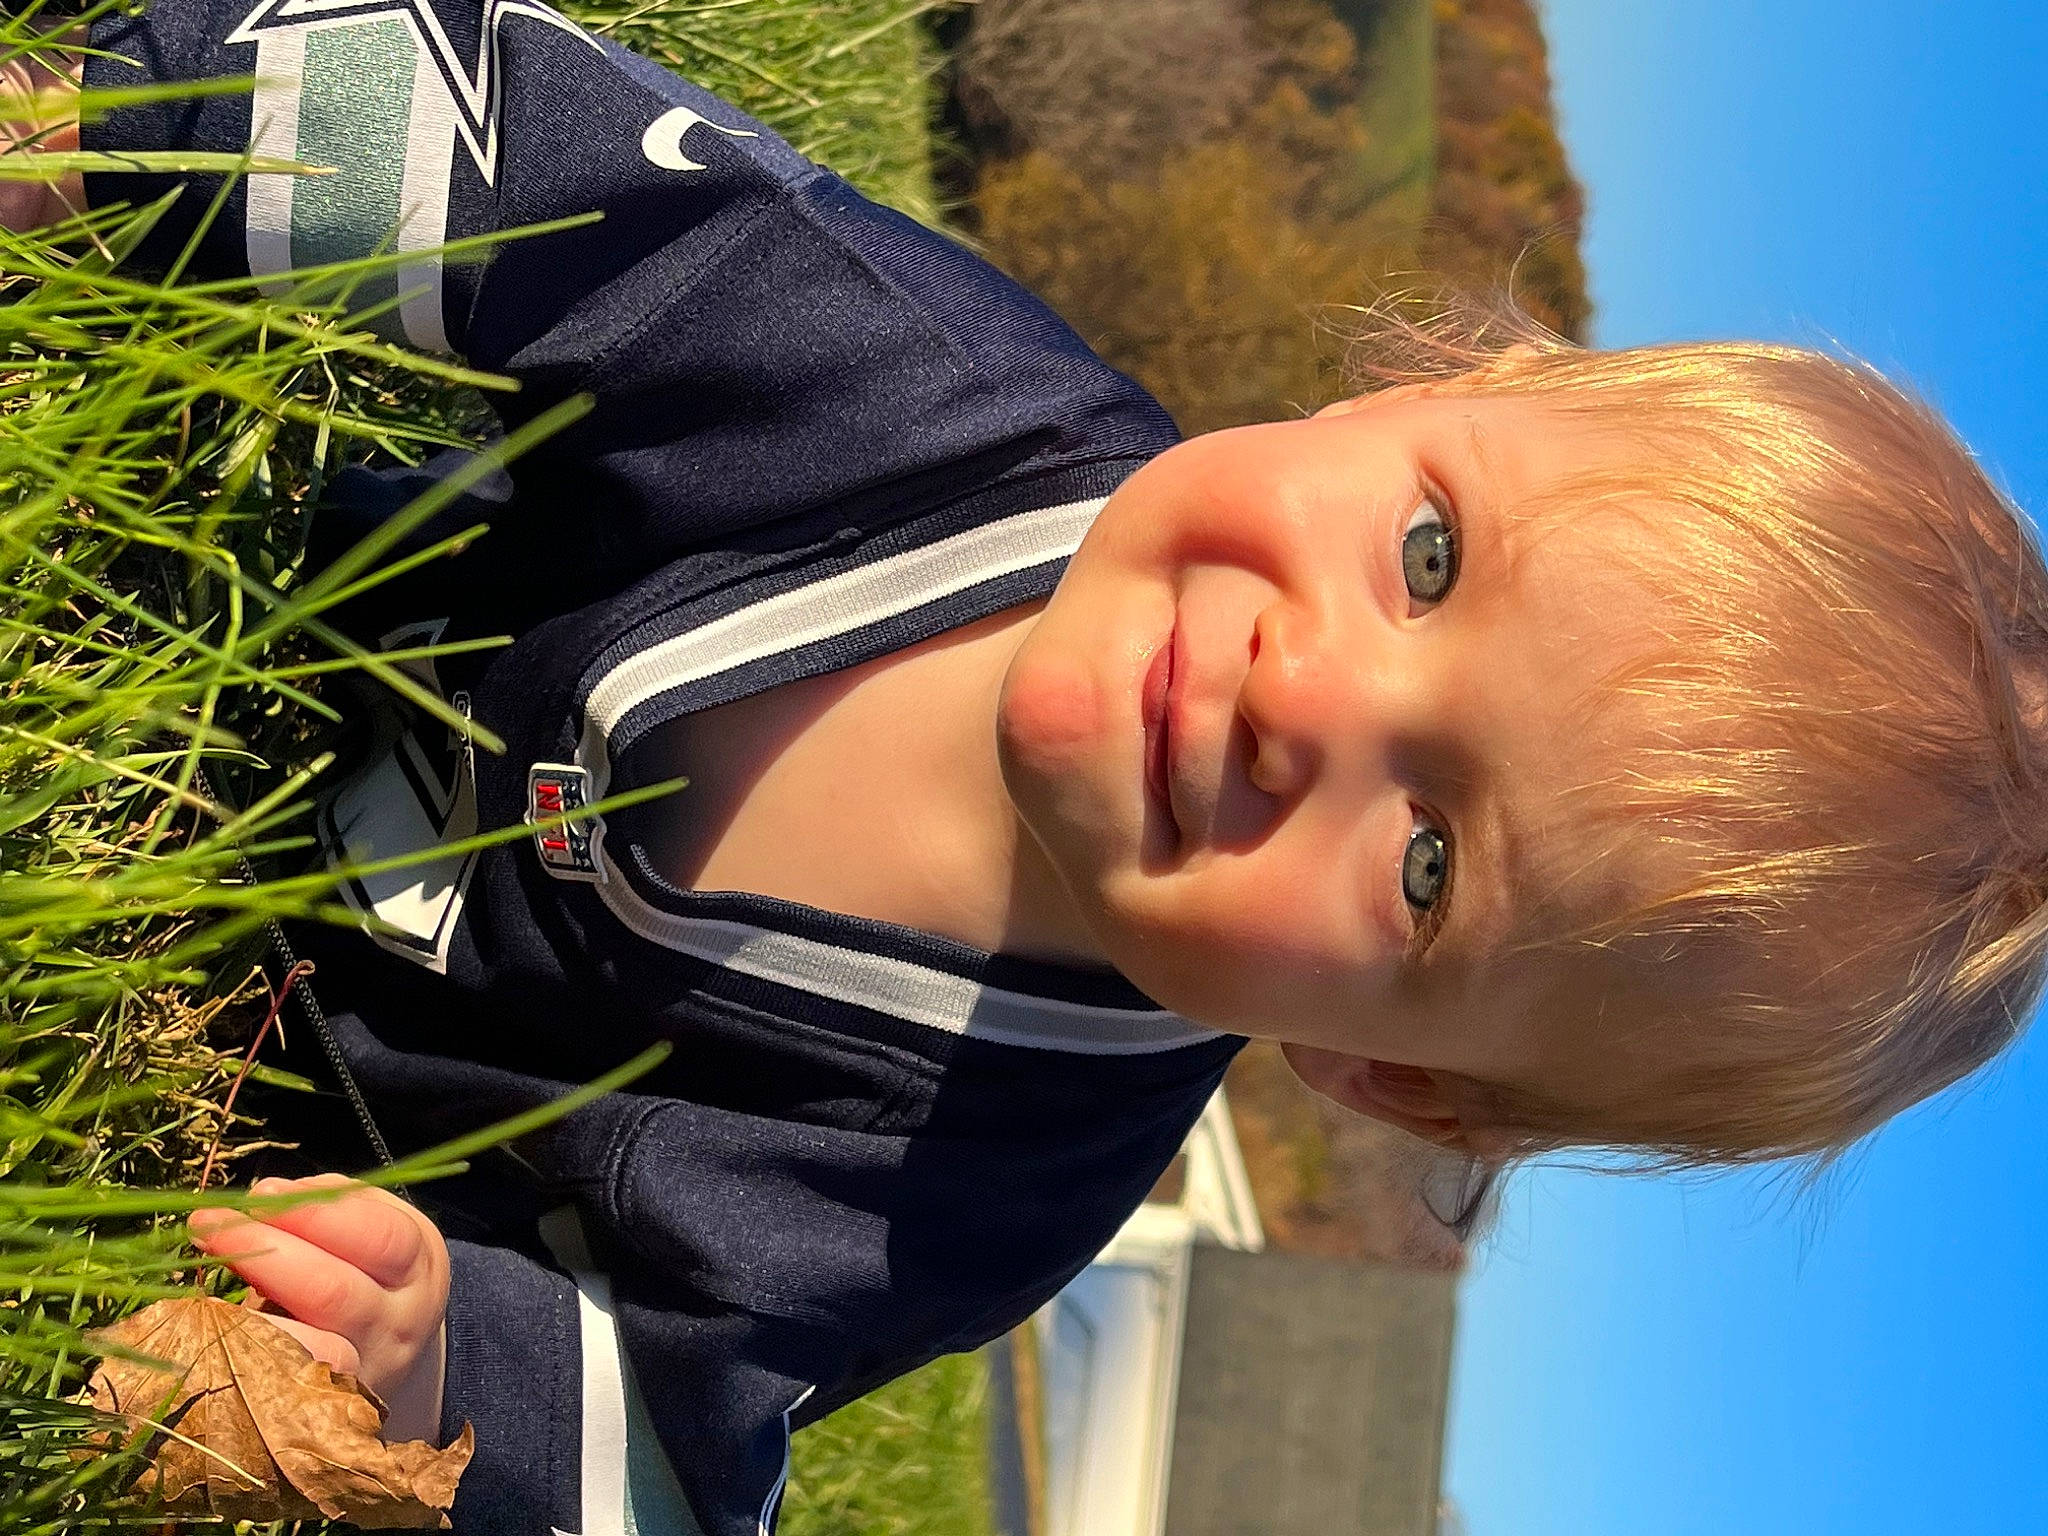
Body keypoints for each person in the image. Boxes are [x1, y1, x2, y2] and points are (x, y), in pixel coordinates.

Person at [10, 3, 2048, 1532]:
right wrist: (109, 144)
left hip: (270, 1080)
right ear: (1422, 389)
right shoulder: (905, 391)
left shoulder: (981, 1182)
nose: (1307, 697)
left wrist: (439, 1360)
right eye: (1429, 558)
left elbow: (686, 1445)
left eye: (1430, 860)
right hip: (292, 572)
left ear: (1393, 1077)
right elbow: (509, 150)